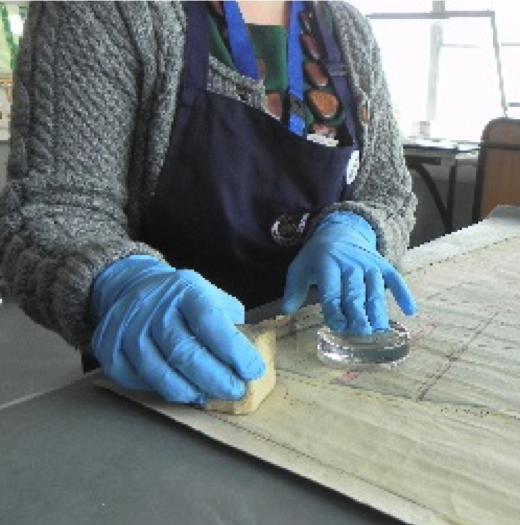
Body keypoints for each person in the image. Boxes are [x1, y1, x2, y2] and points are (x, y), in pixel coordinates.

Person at [0, 0, 418, 407]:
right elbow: (50, 212)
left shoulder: (347, 30)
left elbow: (387, 191)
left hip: (322, 369)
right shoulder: (103, 10)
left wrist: (356, 227)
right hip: (163, 382)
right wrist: (119, 281)